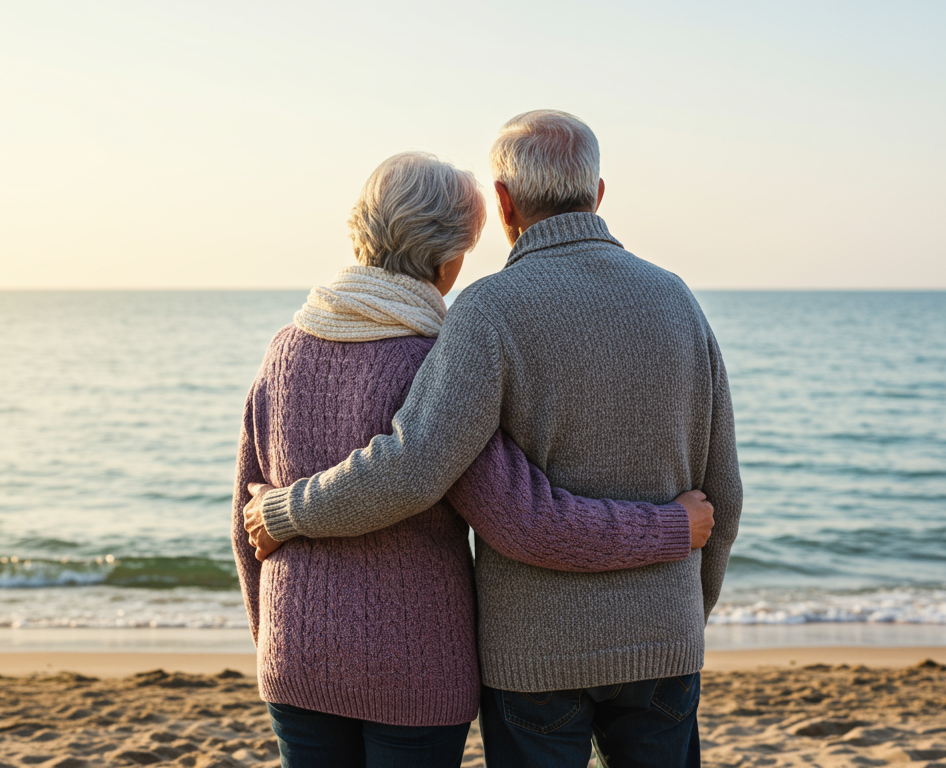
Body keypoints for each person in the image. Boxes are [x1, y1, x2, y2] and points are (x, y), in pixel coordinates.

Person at [243, 111, 742, 767]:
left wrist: (278, 549)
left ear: (504, 203)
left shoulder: (483, 311)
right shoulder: (678, 300)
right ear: (597, 194)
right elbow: (723, 493)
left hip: (528, 656)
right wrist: (680, 608)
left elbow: (405, 470)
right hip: (662, 635)